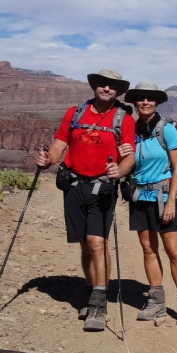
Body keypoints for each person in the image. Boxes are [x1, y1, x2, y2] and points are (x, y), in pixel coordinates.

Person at [35, 68, 135, 332]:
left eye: (112, 86)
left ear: (118, 91)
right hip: (74, 186)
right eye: (102, 84)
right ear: (95, 87)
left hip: (102, 188)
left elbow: (130, 156)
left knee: (97, 243)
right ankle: (92, 294)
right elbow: (59, 142)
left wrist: (120, 170)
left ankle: (100, 306)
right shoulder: (75, 112)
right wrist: (49, 160)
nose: (106, 89)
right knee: (84, 244)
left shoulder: (123, 118)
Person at [119, 81, 177, 326]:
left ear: (156, 102)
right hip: (140, 197)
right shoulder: (131, 131)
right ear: (134, 102)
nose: (145, 102)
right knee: (149, 249)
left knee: (173, 251)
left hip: (164, 198)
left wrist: (172, 201)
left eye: (150, 98)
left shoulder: (167, 129)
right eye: (140, 98)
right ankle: (156, 302)